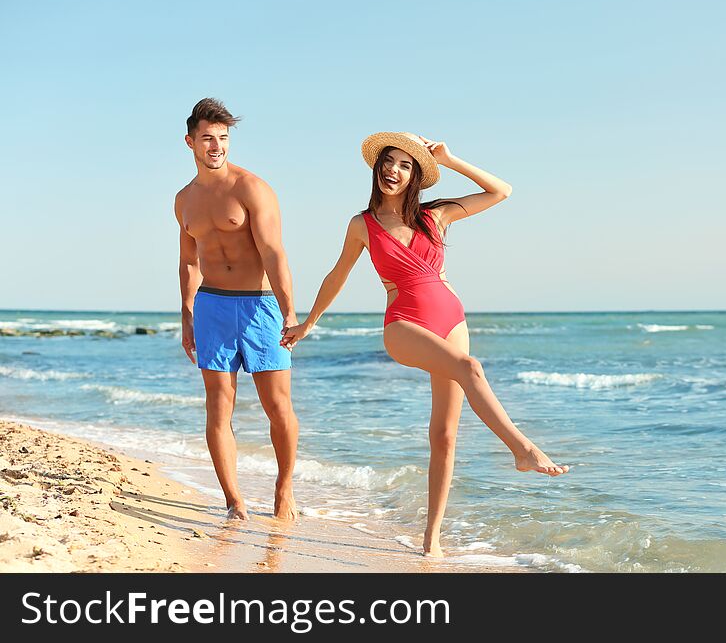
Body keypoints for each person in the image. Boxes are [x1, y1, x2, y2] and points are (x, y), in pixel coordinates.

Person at [287, 132, 568, 556]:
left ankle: (431, 538)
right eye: (388, 161)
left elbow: (501, 191)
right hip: (403, 323)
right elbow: (337, 275)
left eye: (404, 165)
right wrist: (309, 322)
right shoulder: (362, 224)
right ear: (377, 167)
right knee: (471, 368)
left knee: (445, 435)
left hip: (452, 319)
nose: (393, 170)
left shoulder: (436, 216)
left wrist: (450, 159)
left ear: (415, 175)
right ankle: (522, 449)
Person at [174, 98, 300, 521]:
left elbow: (274, 252)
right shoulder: (183, 201)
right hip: (212, 306)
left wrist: (289, 312)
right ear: (190, 142)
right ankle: (234, 501)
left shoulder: (251, 188)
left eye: (223, 138)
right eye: (207, 138)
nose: (216, 146)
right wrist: (187, 314)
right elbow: (189, 262)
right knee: (218, 404)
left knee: (277, 405)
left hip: (260, 306)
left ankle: (284, 489)